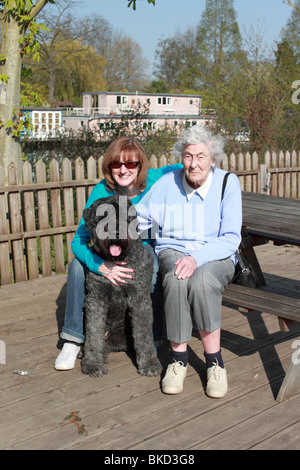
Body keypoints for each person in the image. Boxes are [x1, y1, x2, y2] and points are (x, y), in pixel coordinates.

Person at [54, 136, 182, 371]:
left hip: (145, 247)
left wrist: (203, 160)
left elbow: (184, 165)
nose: (124, 170)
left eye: (131, 164)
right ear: (109, 166)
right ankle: (73, 339)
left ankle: (150, 342)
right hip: (105, 250)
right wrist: (99, 266)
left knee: (151, 268)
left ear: (140, 166)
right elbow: (79, 240)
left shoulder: (155, 179)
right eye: (116, 164)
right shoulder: (101, 192)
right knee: (76, 268)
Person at [136, 126, 242, 398]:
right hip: (173, 249)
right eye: (188, 156)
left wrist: (197, 258)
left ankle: (215, 362)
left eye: (201, 156)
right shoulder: (167, 183)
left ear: (213, 159)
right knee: (175, 278)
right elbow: (139, 218)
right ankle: (178, 359)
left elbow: (231, 238)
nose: (193, 164)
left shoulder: (228, 183)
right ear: (181, 157)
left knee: (203, 281)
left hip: (215, 253)